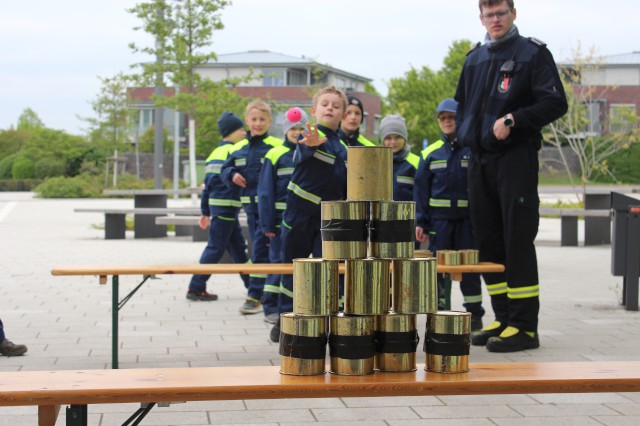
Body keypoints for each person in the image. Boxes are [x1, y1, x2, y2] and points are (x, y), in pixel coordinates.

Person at [454, 0, 568, 352]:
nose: (496, 19)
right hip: (479, 160)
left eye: (501, 12)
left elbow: (556, 103)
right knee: (489, 242)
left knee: (516, 240)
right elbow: (461, 105)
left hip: (514, 158)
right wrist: (462, 136)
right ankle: (502, 319)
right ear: (481, 18)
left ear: (513, 14)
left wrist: (513, 120)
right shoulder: (474, 58)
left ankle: (523, 327)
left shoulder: (532, 53)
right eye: (489, 14)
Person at [270, 86, 349, 342]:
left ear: (344, 114)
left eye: (336, 106)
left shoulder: (343, 148)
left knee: (328, 272)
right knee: (293, 268)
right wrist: (310, 145)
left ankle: (328, 325)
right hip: (299, 216)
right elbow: (302, 149)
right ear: (314, 111)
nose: (330, 108)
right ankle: (285, 321)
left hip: (329, 220)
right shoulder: (309, 135)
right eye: (324, 104)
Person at [414, 99, 485, 330]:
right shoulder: (430, 153)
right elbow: (421, 191)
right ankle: (439, 314)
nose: (447, 121)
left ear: (460, 119)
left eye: (451, 117)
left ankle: (474, 315)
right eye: (443, 117)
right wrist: (421, 222)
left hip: (468, 222)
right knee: (438, 270)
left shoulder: (473, 150)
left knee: (469, 270)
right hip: (439, 224)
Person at [221, 102, 283, 315]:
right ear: (246, 121)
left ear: (269, 122)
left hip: (273, 209)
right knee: (260, 249)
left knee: (265, 250)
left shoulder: (276, 146)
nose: (257, 124)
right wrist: (231, 175)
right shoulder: (237, 148)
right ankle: (263, 295)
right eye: (254, 119)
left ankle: (257, 295)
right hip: (251, 208)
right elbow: (225, 169)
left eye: (262, 120)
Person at [187, 112, 250, 301]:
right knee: (215, 248)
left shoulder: (215, 153)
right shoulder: (234, 152)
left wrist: (205, 211)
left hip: (220, 208)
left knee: (239, 250)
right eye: (241, 129)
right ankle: (196, 287)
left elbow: (206, 187)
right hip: (227, 207)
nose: (244, 133)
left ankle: (254, 288)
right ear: (230, 132)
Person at [257, 107, 307, 324]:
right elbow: (265, 192)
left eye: (301, 128)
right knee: (277, 263)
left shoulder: (309, 152)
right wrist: (267, 223)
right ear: (286, 130)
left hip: (300, 221)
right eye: (293, 128)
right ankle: (270, 305)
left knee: (294, 264)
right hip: (278, 222)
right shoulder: (275, 154)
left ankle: (291, 306)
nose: (297, 132)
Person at [379, 114, 420, 204]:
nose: (393, 142)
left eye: (398, 137)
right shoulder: (376, 163)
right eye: (388, 138)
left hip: (408, 217)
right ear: (383, 140)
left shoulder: (417, 163)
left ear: (405, 138)